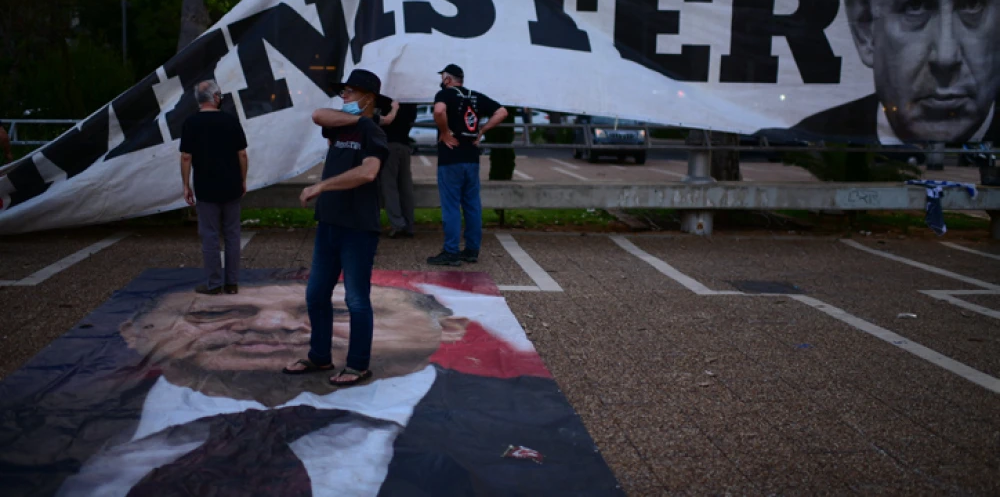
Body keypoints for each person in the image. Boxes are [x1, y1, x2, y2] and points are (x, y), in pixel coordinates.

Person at [0, 273, 621, 496]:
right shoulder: (34, 428)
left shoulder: (543, 425)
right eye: (218, 313)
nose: (271, 327)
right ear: (135, 331)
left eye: (338, 312)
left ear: (450, 328)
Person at [758, 0, 999, 146]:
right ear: (865, 27)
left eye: (972, 3)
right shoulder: (809, 138)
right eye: (915, 6)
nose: (946, 57)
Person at [286, 69, 391, 387]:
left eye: (350, 92)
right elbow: (318, 114)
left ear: (368, 98)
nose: (343, 97)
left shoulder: (373, 132)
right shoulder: (346, 125)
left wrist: (323, 186)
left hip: (358, 227)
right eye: (342, 92)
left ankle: (358, 365)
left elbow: (368, 172)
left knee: (356, 299)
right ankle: (320, 356)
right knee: (316, 294)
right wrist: (356, 118)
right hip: (329, 224)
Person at [427, 64, 508, 266]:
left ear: (447, 79)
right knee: (472, 205)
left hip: (451, 157)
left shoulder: (444, 94)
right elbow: (502, 112)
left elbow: (439, 111)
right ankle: (472, 250)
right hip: (472, 156)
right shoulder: (475, 96)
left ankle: (451, 251)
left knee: (451, 205)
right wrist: (482, 131)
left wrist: (445, 132)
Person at [179, 80, 248, 295]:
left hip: (206, 186)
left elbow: (186, 157)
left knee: (209, 235)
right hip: (231, 185)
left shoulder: (191, 123)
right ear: (216, 97)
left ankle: (214, 283)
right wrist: (243, 180)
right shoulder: (230, 121)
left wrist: (186, 185)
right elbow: (242, 154)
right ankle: (232, 283)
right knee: (232, 234)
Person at [381, 102, 418, 238]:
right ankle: (409, 224)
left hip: (388, 144)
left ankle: (397, 224)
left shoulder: (387, 99)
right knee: (405, 186)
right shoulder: (411, 101)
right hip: (404, 145)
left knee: (389, 186)